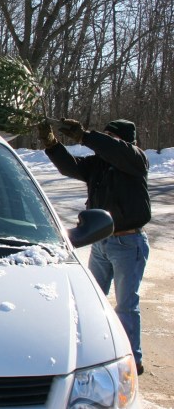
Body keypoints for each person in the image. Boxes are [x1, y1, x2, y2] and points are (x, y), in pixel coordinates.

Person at [38, 118, 151, 374]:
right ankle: (92, 354)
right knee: (90, 300)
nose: (107, 141)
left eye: (112, 137)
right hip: (101, 240)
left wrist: (85, 136)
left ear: (125, 141)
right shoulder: (99, 165)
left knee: (126, 305)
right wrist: (52, 144)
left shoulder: (135, 160)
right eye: (106, 136)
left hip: (128, 242)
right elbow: (71, 167)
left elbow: (115, 150)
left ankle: (133, 359)